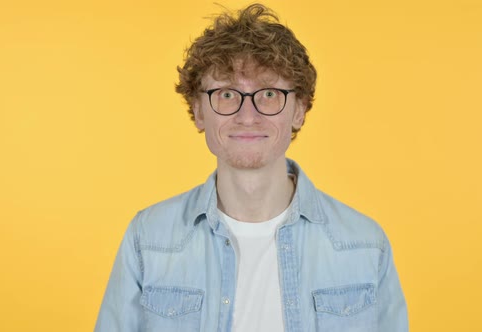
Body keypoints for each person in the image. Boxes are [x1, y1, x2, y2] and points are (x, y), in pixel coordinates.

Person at [95, 3, 408, 332]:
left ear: (299, 110)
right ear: (199, 111)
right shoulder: (147, 238)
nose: (247, 116)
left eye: (269, 93)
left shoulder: (364, 244)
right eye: (227, 94)